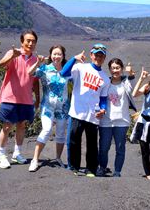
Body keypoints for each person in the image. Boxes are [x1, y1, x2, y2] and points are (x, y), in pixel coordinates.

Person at [0, 30, 40, 169]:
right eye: (28, 40)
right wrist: (12, 57)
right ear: (22, 42)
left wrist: (37, 98)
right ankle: (1, 155)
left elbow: (35, 81)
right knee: (7, 126)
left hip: (26, 99)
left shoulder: (35, 60)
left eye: (33, 41)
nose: (30, 43)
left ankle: (17, 153)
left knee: (21, 126)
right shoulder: (13, 53)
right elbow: (0, 65)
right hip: (10, 97)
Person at [63, 43, 110, 177]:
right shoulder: (80, 68)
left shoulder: (105, 78)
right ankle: (74, 166)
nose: (98, 57)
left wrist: (103, 109)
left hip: (93, 115)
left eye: (101, 55)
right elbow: (64, 73)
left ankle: (91, 169)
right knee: (74, 141)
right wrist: (74, 59)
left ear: (104, 57)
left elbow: (103, 98)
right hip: (77, 112)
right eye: (96, 55)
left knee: (92, 144)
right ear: (91, 55)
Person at [27, 45, 73, 172]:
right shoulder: (45, 69)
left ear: (63, 56)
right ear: (50, 55)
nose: (57, 56)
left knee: (60, 134)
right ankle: (35, 159)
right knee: (46, 130)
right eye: (54, 54)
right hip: (48, 107)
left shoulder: (68, 71)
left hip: (63, 108)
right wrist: (37, 62)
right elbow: (29, 73)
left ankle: (58, 158)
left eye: (59, 54)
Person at [97, 59, 137, 177]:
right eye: (113, 68)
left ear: (122, 68)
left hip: (122, 121)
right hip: (106, 121)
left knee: (120, 148)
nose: (115, 70)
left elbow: (132, 86)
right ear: (109, 69)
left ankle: (117, 172)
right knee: (104, 147)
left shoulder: (126, 82)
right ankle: (102, 167)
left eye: (117, 68)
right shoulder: (105, 82)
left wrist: (131, 74)